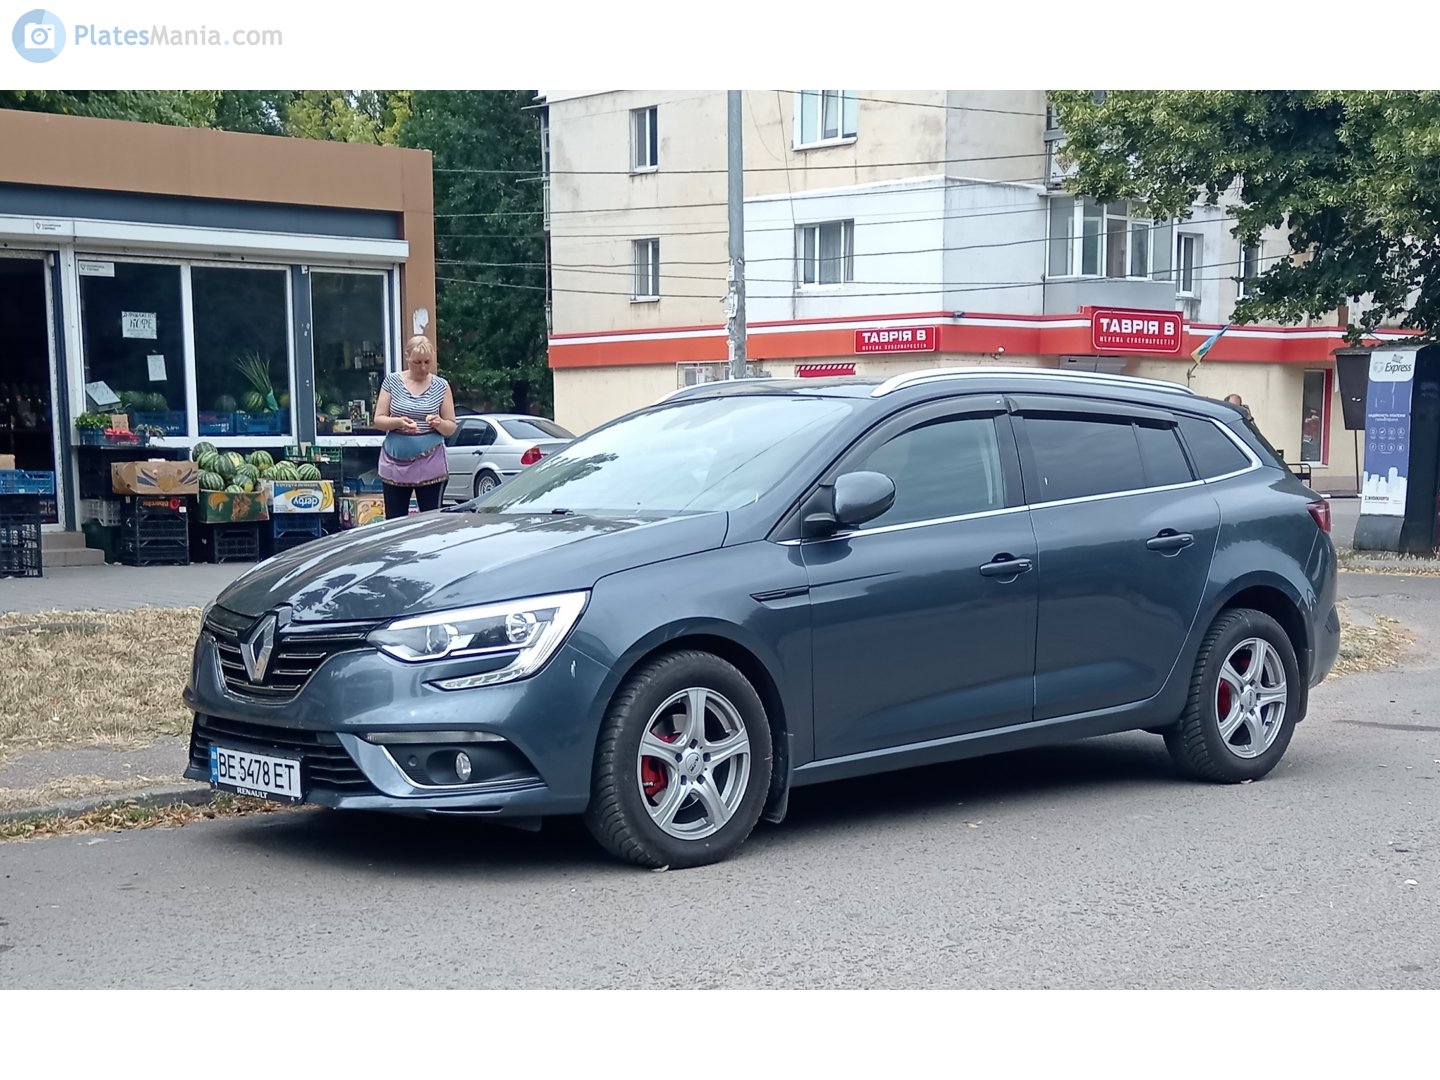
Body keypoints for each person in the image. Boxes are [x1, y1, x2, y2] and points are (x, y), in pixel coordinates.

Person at [373, 335, 458, 520]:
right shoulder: (392, 381)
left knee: (431, 520)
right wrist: (398, 422)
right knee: (395, 520)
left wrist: (439, 423)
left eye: (428, 362)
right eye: (417, 362)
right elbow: (378, 420)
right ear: (407, 357)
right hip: (395, 460)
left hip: (431, 462)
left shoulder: (441, 386)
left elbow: (451, 427)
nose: (423, 368)